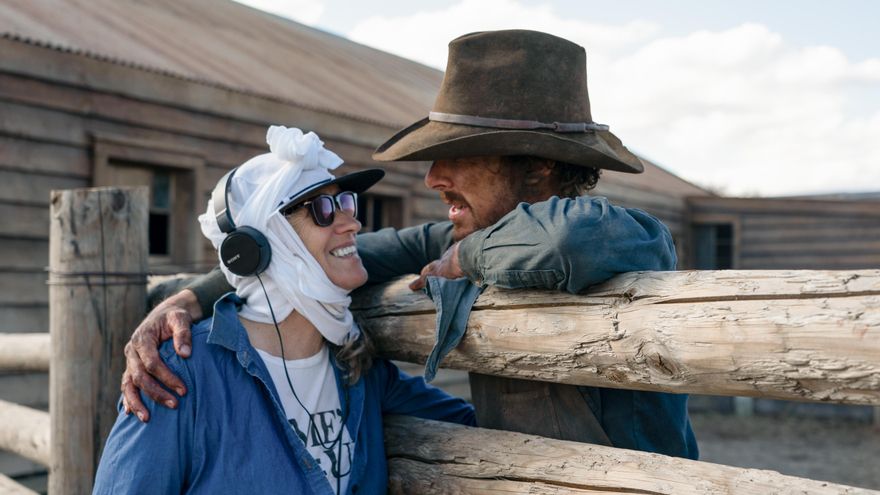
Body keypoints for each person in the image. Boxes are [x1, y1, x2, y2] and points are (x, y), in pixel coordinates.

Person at [122, 30, 698, 459]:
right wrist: (189, 300)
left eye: (462, 156)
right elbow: (323, 256)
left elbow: (565, 244)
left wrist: (462, 260)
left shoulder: (621, 233)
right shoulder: (461, 235)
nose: (433, 178)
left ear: (539, 166)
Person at [93, 126, 475, 494]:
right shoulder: (179, 373)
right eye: (324, 209)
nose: (353, 223)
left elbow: (480, 430)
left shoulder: (359, 371)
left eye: (346, 203)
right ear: (260, 241)